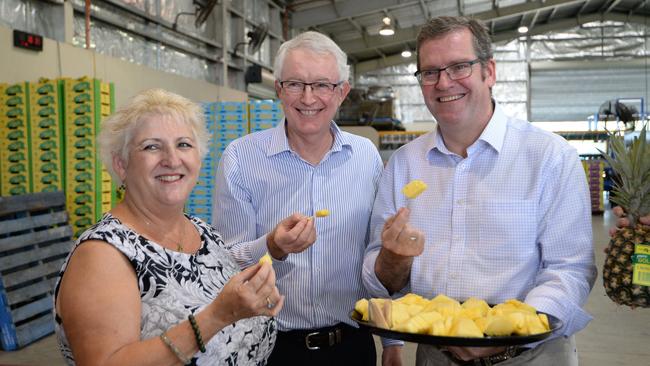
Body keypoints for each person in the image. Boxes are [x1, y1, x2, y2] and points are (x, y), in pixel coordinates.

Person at [362, 16, 597, 366]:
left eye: (459, 67)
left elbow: (570, 269)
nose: (444, 82)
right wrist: (393, 259)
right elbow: (379, 274)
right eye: (430, 72)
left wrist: (507, 331)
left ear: (489, 71)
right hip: (435, 356)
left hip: (531, 356)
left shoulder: (550, 157)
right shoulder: (403, 165)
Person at [212, 31, 402, 365]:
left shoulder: (365, 157)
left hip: (352, 346)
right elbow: (224, 264)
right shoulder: (241, 158)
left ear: (342, 92)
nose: (308, 97)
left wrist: (391, 339)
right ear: (279, 89)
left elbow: (376, 253)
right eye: (296, 84)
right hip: (270, 348)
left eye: (322, 85)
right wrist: (271, 246)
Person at [54, 89, 283, 365]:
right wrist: (218, 316)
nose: (172, 160)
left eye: (184, 145)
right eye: (152, 146)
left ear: (199, 157)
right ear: (121, 164)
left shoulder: (204, 234)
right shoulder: (104, 254)